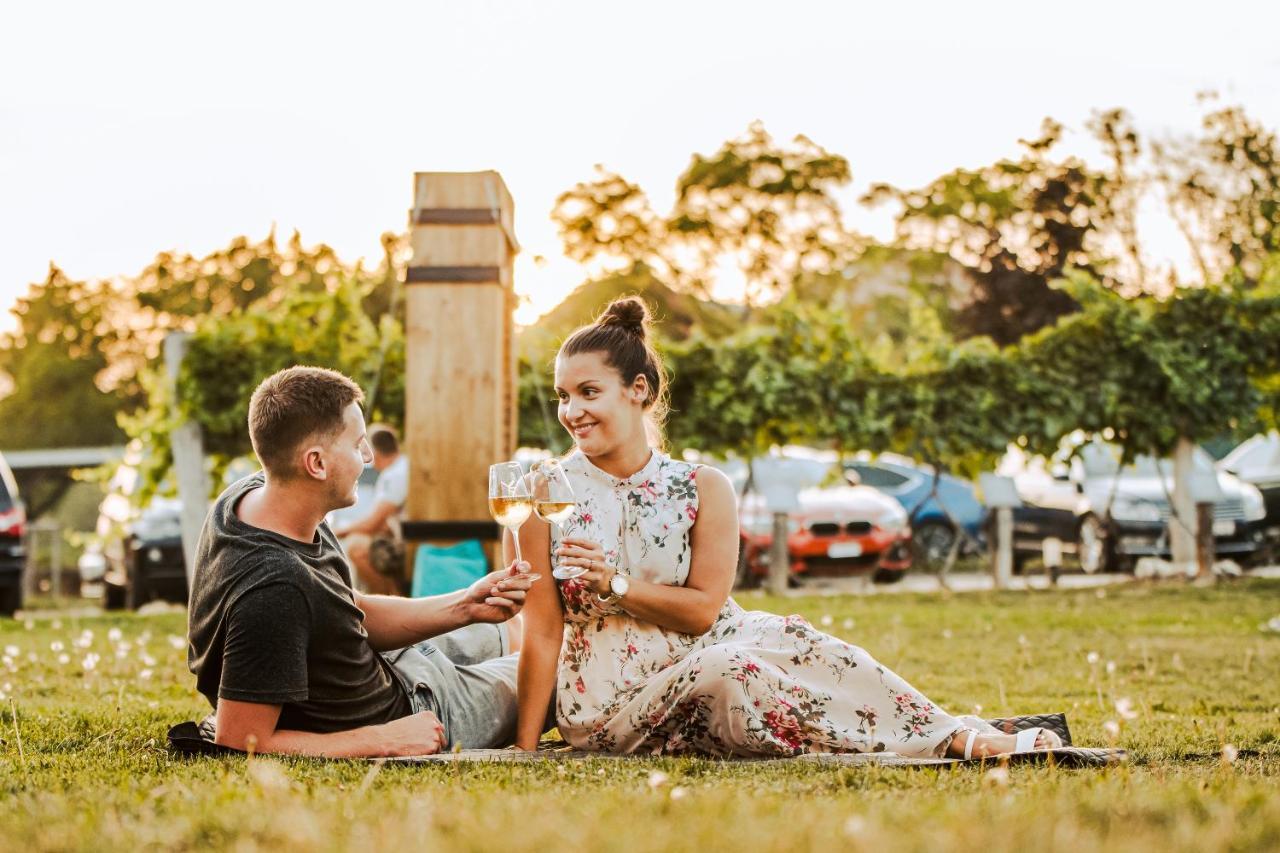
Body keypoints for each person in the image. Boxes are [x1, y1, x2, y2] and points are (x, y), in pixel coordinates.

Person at [513, 298, 1066, 759]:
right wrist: (525, 748)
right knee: (728, 668)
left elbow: (706, 610)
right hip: (613, 701)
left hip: (717, 642)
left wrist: (616, 584)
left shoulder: (703, 486)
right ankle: (943, 744)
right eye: (564, 395)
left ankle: (955, 732)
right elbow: (541, 632)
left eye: (588, 392)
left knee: (801, 641)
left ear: (639, 390)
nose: (571, 411)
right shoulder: (547, 493)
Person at [187, 366, 536, 758]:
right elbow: (239, 740)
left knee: (525, 632)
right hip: (419, 711)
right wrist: (383, 740)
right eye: (357, 444)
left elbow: (345, 611)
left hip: (395, 662)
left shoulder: (260, 497)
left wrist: (466, 605)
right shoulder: (274, 590)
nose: (369, 456)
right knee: (565, 672)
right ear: (316, 464)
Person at [334, 424, 409, 595]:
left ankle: (388, 599)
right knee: (360, 540)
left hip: (407, 543)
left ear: (374, 451)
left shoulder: (395, 474)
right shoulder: (400, 467)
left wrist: (335, 532)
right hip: (405, 537)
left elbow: (372, 524)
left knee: (356, 547)